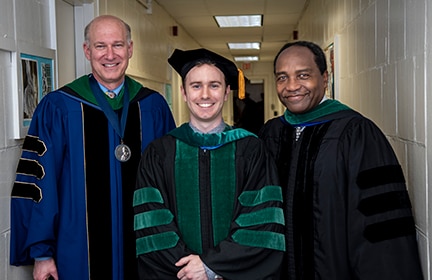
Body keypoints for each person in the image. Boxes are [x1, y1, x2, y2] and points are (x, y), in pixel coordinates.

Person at [10, 15, 176, 280]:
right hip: (77, 251)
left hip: (147, 249)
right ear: (87, 51)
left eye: (118, 45)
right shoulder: (59, 108)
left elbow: (174, 181)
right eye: (100, 46)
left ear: (130, 49)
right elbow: (39, 183)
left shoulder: (153, 107)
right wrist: (42, 254)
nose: (110, 55)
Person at [259, 40, 424, 279]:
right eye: (282, 77)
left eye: (303, 75)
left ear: (325, 78)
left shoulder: (357, 134)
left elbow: (380, 228)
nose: (292, 86)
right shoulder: (270, 134)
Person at [133, 48, 285, 280]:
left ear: (226, 93)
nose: (205, 94)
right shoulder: (159, 153)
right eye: (196, 86)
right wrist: (190, 271)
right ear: (183, 92)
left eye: (214, 85)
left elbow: (262, 226)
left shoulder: (251, 150)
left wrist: (213, 267)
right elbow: (152, 226)